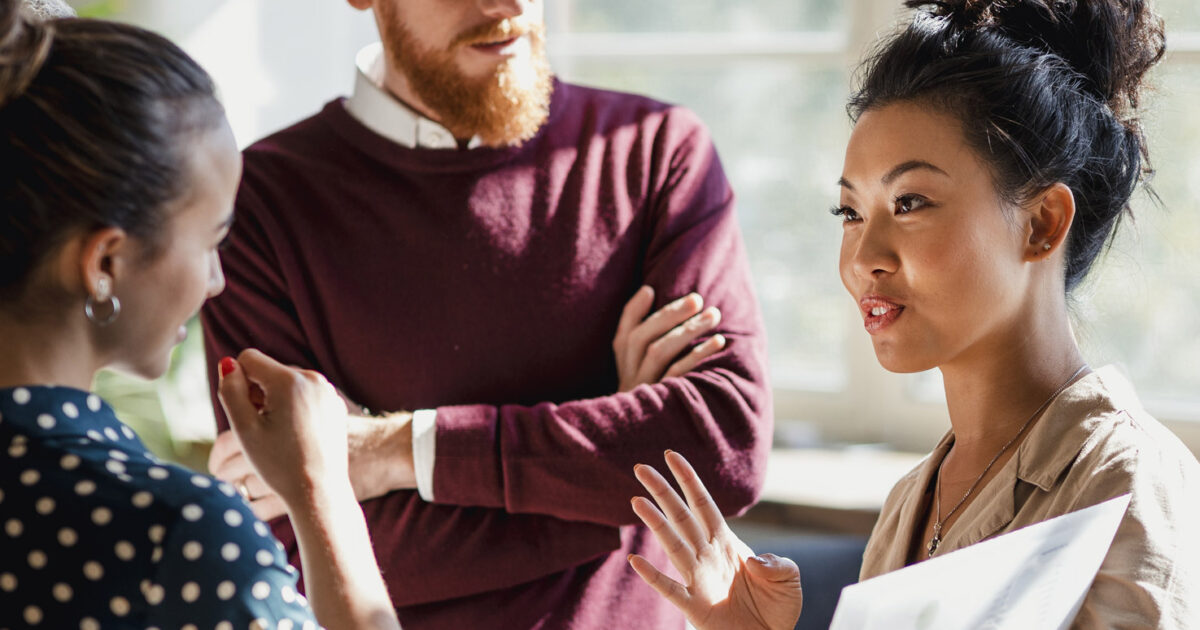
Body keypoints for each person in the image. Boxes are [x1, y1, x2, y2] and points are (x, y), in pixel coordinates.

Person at [626, 0, 1200, 628]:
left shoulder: (1128, 483)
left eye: (910, 202)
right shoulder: (910, 503)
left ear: (1042, 223)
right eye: (849, 213)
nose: (863, 257)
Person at [200, 0, 772, 627]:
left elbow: (725, 448)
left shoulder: (656, 151)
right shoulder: (257, 203)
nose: (508, 5)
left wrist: (398, 450)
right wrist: (615, 481)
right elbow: (297, 544)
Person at [0, 4, 402, 628]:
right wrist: (322, 489)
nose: (217, 282)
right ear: (105, 261)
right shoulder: (174, 534)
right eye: (213, 241)